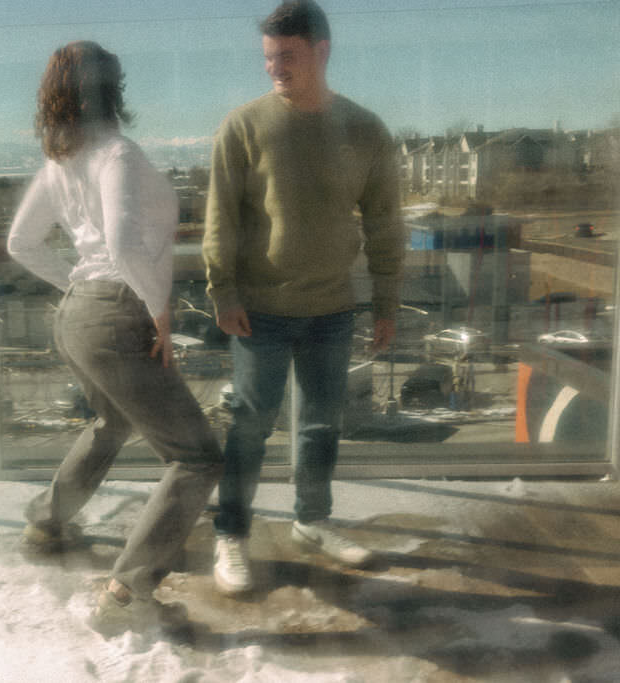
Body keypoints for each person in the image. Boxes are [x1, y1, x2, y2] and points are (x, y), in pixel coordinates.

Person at [7, 41, 224, 635]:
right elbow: (126, 246)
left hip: (78, 316)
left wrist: (77, 287)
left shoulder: (61, 162)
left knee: (113, 422)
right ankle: (128, 595)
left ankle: (46, 523)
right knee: (197, 457)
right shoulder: (118, 155)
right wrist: (159, 314)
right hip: (118, 313)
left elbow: (21, 245)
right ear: (114, 87)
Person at [202, 0, 405, 595]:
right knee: (249, 427)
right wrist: (222, 288)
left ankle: (312, 521)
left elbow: (386, 223)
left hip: (332, 310)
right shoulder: (243, 126)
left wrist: (386, 302)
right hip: (258, 311)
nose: (274, 69)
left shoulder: (366, 130)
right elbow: (221, 217)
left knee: (320, 426)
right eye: (268, 58)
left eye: (286, 56)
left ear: (322, 50)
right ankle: (231, 533)